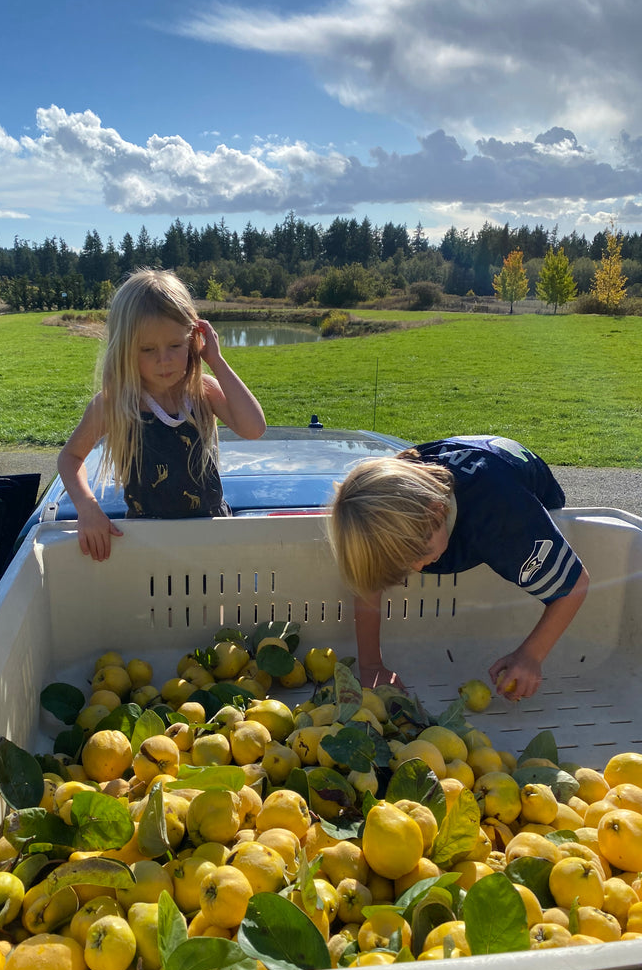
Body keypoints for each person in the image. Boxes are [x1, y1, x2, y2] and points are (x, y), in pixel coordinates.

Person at [328, 435, 590, 701]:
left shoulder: (500, 521)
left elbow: (574, 585)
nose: (416, 568)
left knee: (540, 556)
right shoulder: (399, 486)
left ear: (437, 512)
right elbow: (369, 582)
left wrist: (531, 655)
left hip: (519, 483)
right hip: (478, 463)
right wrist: (371, 665)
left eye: (417, 555)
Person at [58, 268, 266, 561]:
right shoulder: (116, 403)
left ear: (193, 339)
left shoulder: (202, 391)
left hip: (210, 537)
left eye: (175, 345)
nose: (164, 360)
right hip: (146, 543)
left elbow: (254, 428)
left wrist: (216, 361)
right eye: (147, 349)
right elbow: (70, 458)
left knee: (212, 606)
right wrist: (88, 507)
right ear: (125, 349)